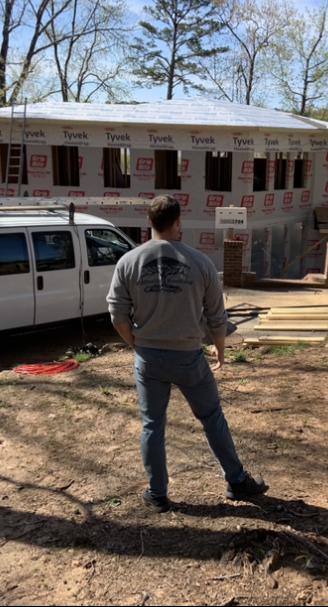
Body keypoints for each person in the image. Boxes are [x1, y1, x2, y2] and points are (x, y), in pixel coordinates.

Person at [107, 195, 268, 513]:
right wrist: (220, 352)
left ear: (149, 223)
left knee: (152, 424)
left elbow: (117, 314)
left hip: (149, 359)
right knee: (211, 418)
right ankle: (236, 481)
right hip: (188, 358)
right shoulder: (200, 262)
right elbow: (216, 317)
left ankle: (157, 493)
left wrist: (136, 345)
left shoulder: (128, 261)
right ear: (178, 223)